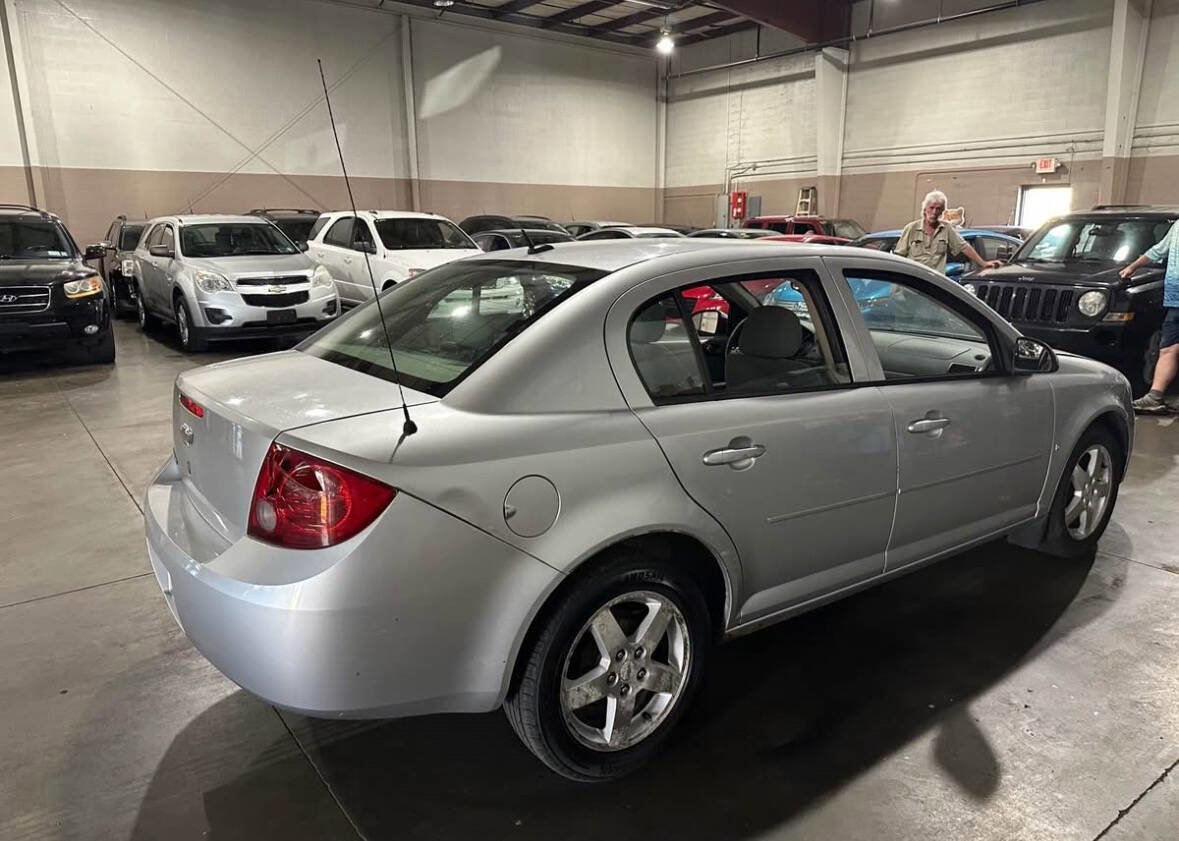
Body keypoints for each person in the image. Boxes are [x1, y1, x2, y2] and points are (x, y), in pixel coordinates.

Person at [1119, 218, 1179, 413]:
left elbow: (1157, 251)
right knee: (1168, 348)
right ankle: (1155, 396)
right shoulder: (1177, 226)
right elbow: (1158, 251)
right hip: (1175, 300)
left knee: (1169, 348)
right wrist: (1133, 267)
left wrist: (1133, 267)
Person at [894, 190, 1003, 274]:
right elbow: (899, 256)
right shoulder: (912, 228)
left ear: (942, 211)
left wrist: (983, 263)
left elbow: (963, 246)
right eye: (931, 208)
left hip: (935, 283)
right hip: (913, 282)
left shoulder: (946, 229)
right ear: (925, 209)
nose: (934, 212)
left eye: (938, 209)